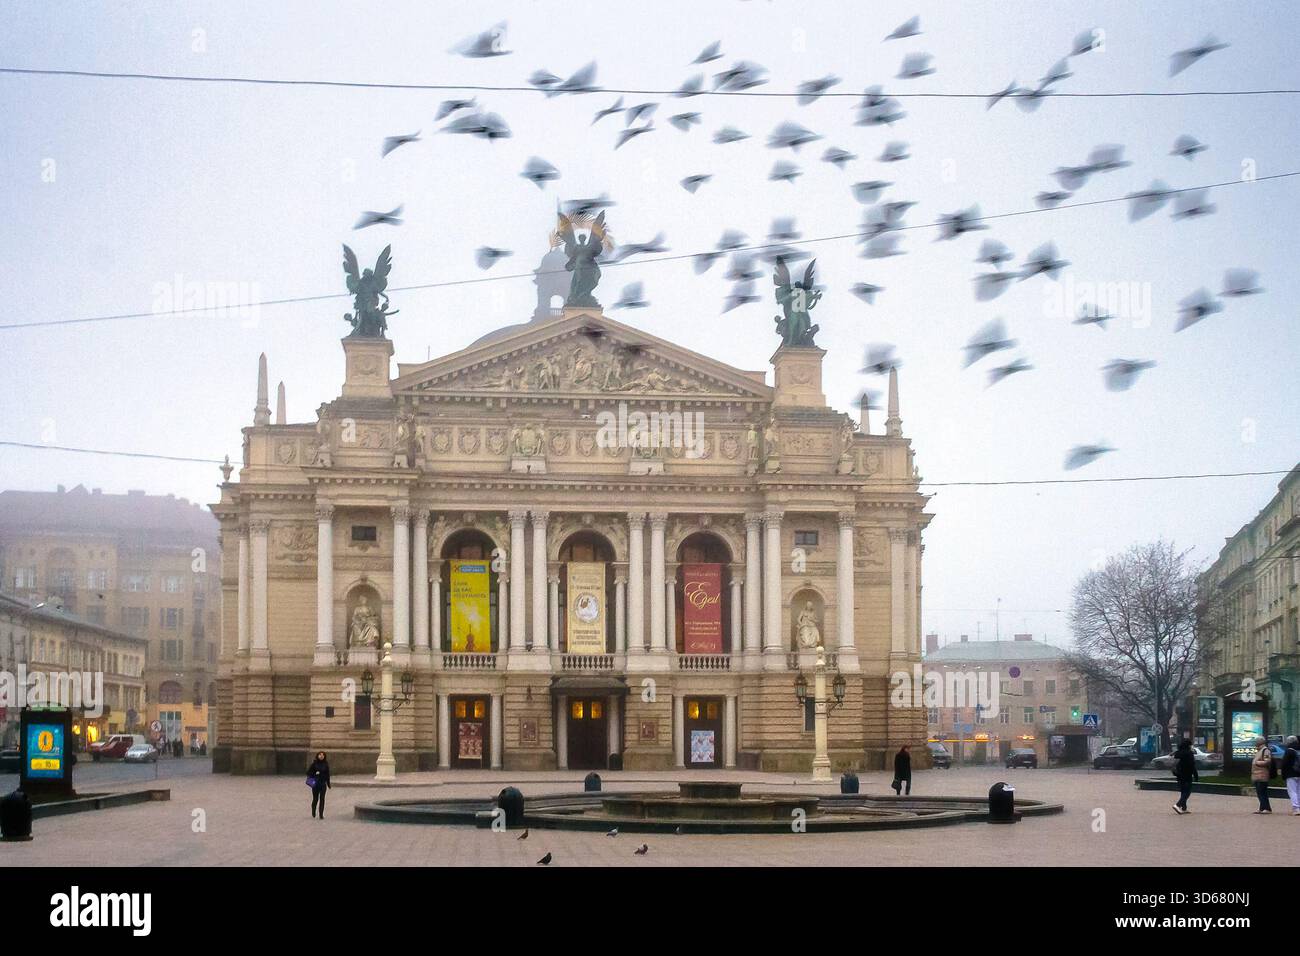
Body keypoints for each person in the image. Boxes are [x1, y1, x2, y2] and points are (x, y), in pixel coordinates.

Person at [1172, 738, 1198, 815]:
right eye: (1191, 745)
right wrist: (1196, 776)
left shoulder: (1178, 753)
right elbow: (1192, 766)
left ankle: (1184, 808)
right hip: (1187, 775)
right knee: (1187, 792)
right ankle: (1177, 805)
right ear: (1189, 745)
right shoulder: (1189, 753)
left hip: (1179, 775)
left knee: (1183, 791)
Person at [1250, 737, 1273, 813]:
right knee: (1260, 793)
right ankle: (1262, 808)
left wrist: (1257, 763)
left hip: (1262, 775)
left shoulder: (1265, 750)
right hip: (1257, 775)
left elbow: (1267, 761)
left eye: (1256, 741)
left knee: (1262, 792)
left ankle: (1267, 808)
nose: (1255, 743)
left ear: (1260, 742)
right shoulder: (1259, 750)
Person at [308, 751, 331, 819]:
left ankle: (321, 814)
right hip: (315, 784)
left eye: (323, 755)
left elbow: (328, 775)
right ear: (317, 756)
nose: (321, 756)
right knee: (315, 799)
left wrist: (328, 783)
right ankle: (313, 811)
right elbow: (308, 772)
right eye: (320, 755)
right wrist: (315, 773)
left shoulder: (326, 764)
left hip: (323, 784)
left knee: (322, 799)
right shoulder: (314, 764)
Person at [1283, 735, 1300, 816]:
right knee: (1298, 791)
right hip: (1299, 773)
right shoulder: (1298, 750)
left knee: (1292, 791)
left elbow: (1285, 763)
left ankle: (1296, 808)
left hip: (1291, 774)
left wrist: (1283, 774)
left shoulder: (1289, 750)